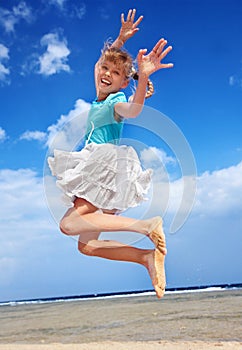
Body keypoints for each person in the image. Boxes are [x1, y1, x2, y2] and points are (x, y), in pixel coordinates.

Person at [48, 9, 173, 299]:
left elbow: (135, 109)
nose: (106, 74)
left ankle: (146, 226)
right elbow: (98, 63)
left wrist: (142, 77)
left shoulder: (116, 103)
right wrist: (119, 40)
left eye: (115, 73)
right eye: (106, 68)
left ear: (123, 83)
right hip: (107, 177)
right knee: (87, 246)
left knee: (68, 225)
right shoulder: (101, 93)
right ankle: (145, 258)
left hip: (100, 170)